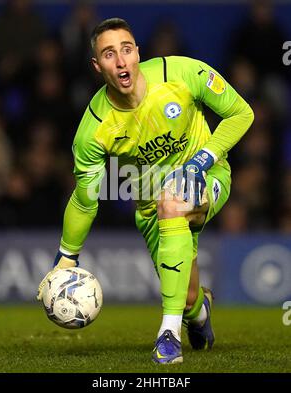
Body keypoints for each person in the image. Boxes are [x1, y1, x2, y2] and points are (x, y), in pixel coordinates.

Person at [37, 18, 254, 364]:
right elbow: (85, 197)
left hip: (208, 175)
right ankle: (198, 313)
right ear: (97, 66)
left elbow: (241, 114)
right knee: (186, 298)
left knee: (173, 199)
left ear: (138, 52)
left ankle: (168, 337)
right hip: (151, 209)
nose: (121, 61)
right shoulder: (94, 129)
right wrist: (67, 256)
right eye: (109, 54)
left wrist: (201, 160)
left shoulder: (182, 73)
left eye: (126, 49)